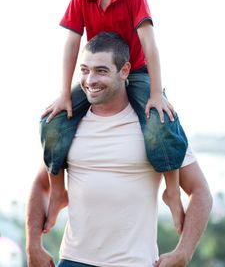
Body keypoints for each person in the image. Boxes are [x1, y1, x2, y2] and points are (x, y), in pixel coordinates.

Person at [41, 0, 188, 235]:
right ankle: (58, 191)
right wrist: (64, 94)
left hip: (136, 73)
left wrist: (157, 93)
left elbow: (150, 44)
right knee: (51, 122)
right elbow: (71, 45)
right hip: (100, 75)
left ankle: (172, 190)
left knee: (160, 124)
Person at [26, 33, 212, 267]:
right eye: (84, 70)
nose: (90, 80)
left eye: (101, 71)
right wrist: (33, 245)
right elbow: (42, 185)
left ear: (125, 71)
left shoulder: (156, 127)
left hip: (134, 262)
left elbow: (200, 191)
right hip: (73, 260)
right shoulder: (69, 124)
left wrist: (183, 252)